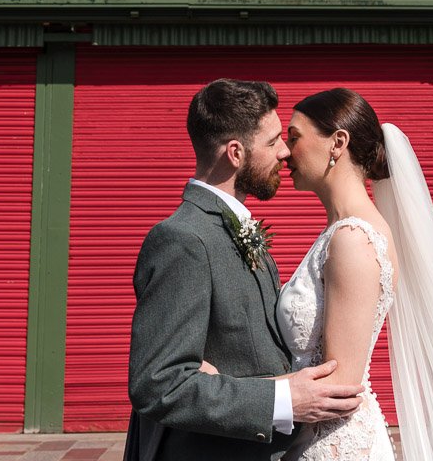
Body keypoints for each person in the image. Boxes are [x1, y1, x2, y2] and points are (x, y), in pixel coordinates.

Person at [123, 79, 364, 461]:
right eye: (271, 142)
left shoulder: (237, 226)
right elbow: (158, 385)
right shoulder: (182, 240)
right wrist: (284, 398)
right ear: (236, 153)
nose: (285, 151)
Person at [274, 88, 433, 461]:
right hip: (315, 438)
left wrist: (231, 390)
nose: (285, 152)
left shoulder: (353, 239)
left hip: (333, 446)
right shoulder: (344, 232)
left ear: (337, 143)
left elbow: (341, 384)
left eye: (294, 137)